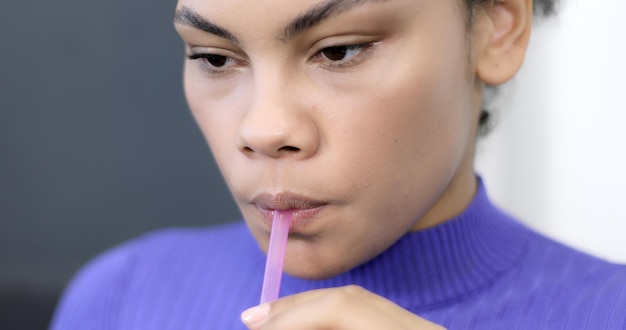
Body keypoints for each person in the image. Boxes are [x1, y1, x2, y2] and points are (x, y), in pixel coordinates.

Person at [51, 0, 626, 329]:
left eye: (338, 50)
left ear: (499, 28)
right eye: (214, 57)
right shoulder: (119, 299)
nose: (263, 129)